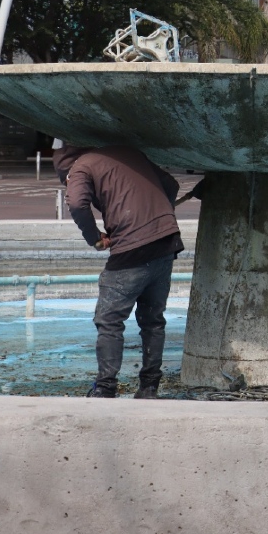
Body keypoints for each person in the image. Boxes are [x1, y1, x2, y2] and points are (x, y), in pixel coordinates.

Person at [55, 144, 184, 399]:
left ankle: (105, 388)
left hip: (132, 248)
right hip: (167, 242)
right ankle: (149, 388)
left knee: (109, 320)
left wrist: (95, 238)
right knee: (153, 320)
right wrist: (157, 217)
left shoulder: (79, 167)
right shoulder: (130, 152)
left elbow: (78, 203)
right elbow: (171, 185)